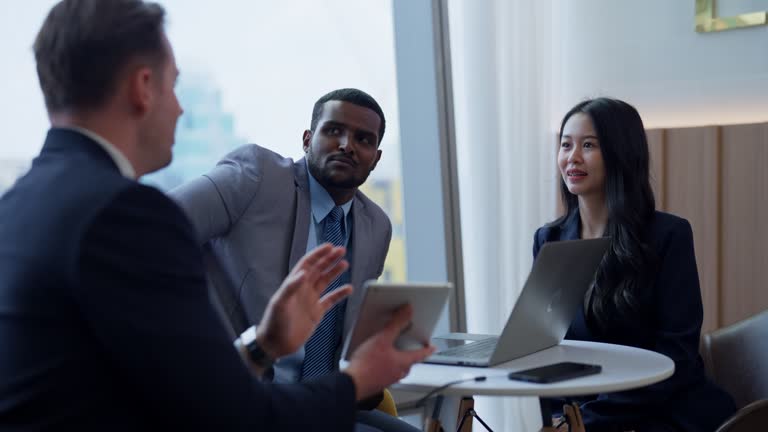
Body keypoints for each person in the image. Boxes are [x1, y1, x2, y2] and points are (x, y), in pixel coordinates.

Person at [0, 1, 433, 430]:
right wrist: (361, 378)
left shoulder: (18, 204)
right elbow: (235, 415)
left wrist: (263, 344)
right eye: (175, 86)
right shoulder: (127, 216)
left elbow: (182, 391)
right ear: (142, 87)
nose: (180, 108)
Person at [170, 89, 414, 431]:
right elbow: (159, 226)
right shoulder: (256, 176)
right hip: (246, 394)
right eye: (334, 131)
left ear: (375, 157)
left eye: (363, 139)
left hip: (323, 402)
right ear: (307, 139)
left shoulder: (377, 226)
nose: (347, 144)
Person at [533, 98, 736, 432]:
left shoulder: (668, 235)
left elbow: (677, 355)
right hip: (583, 417)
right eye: (566, 145)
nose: (573, 157)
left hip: (666, 412)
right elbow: (545, 349)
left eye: (588, 145)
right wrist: (557, 419)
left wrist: (589, 421)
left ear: (620, 153)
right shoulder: (549, 240)